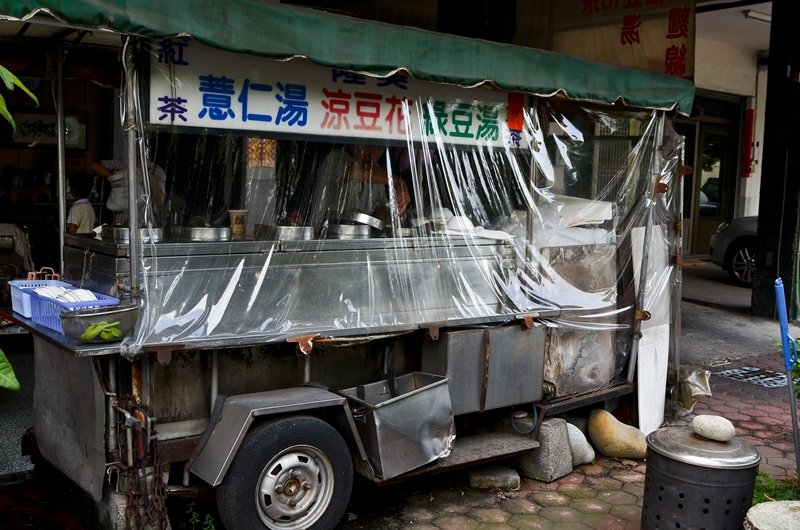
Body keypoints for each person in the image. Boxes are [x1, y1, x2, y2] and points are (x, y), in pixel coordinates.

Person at [309, 144, 410, 229]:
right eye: (368, 147)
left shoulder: (377, 172)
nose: (373, 154)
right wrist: (399, 182)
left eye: (379, 149)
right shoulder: (335, 159)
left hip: (358, 243)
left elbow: (378, 211)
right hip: (326, 240)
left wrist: (393, 212)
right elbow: (358, 171)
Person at [89, 158, 166, 225]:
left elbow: (160, 200)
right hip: (122, 221)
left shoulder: (158, 171)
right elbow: (94, 166)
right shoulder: (123, 163)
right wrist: (116, 179)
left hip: (145, 223)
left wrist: (149, 175)